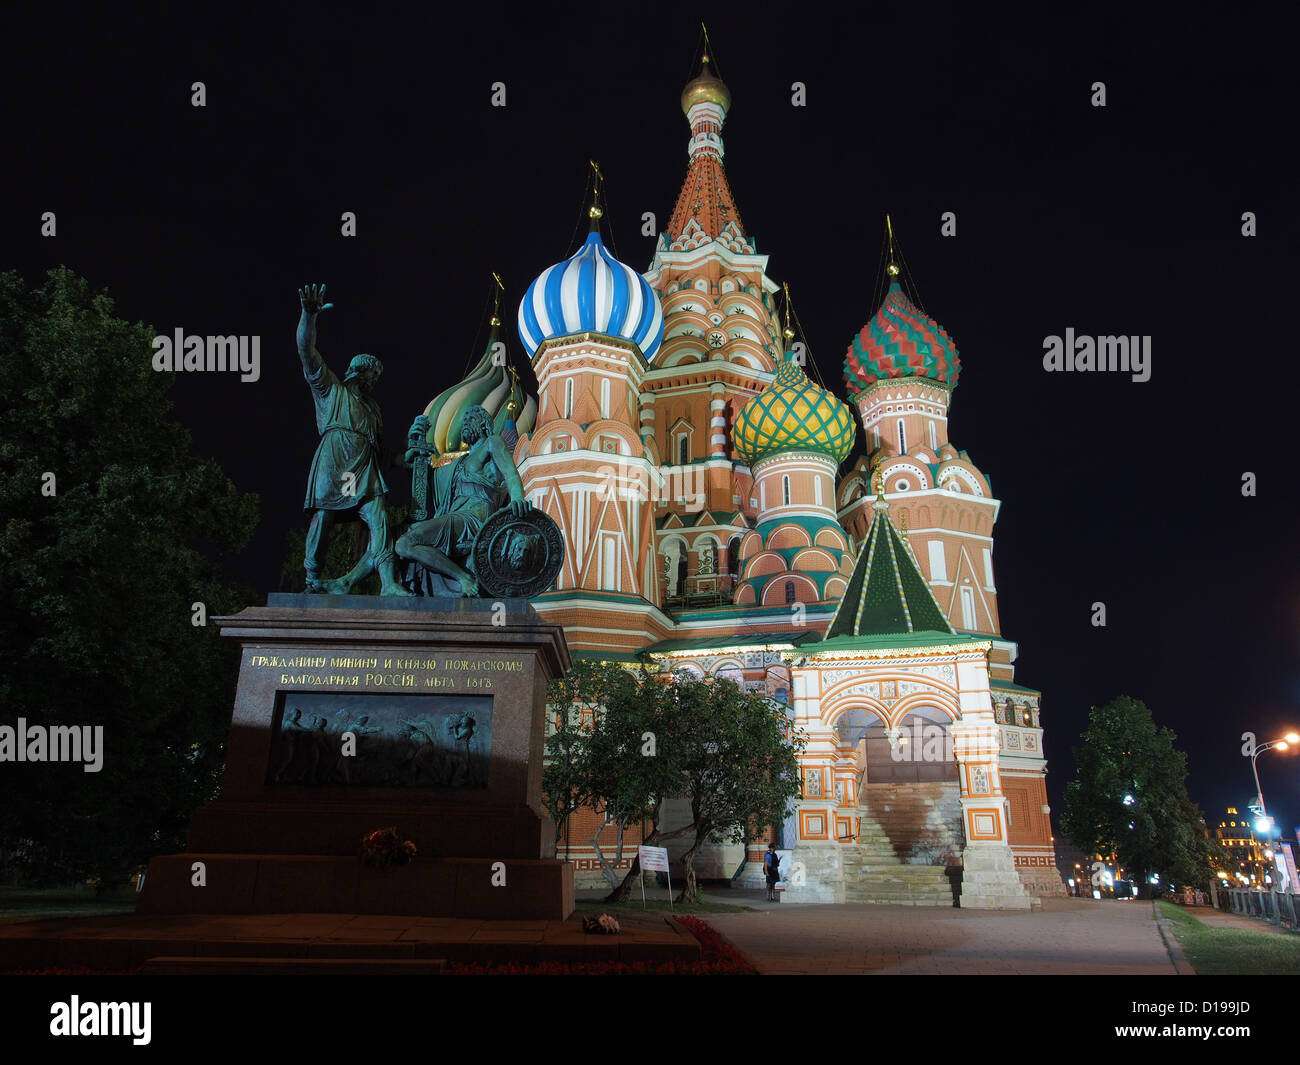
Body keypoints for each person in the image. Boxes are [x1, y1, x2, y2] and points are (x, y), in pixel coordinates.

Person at [296, 283, 412, 596]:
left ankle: (389, 584)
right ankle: (313, 576)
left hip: (365, 466)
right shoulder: (331, 390)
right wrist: (309, 315)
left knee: (380, 521)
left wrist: (404, 460)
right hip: (335, 458)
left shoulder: (373, 409)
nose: (373, 381)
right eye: (369, 374)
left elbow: (380, 451)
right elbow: (307, 352)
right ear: (355, 371)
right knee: (324, 516)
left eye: (376, 377)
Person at [395, 404, 532, 596]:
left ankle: (464, 578)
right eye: (464, 420)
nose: (465, 423)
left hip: (474, 518)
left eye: (471, 419)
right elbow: (429, 482)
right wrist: (415, 449)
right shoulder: (460, 463)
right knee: (399, 539)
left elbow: (510, 473)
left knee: (405, 543)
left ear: (484, 425)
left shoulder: (492, 443)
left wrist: (517, 498)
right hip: (455, 515)